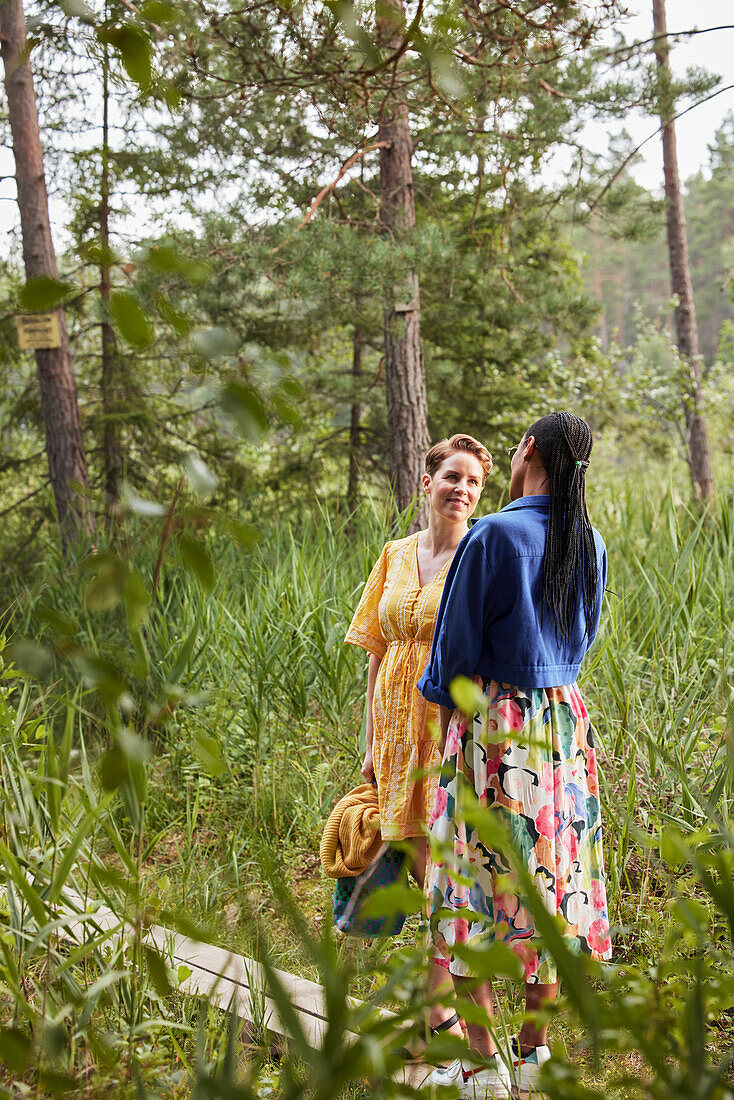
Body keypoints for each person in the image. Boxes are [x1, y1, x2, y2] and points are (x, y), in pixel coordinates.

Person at [417, 411, 612, 1099]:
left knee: (470, 886)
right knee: (550, 886)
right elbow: (581, 643)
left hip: (492, 723)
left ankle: (477, 1065)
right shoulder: (587, 540)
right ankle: (534, 1054)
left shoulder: (494, 535)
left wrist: (448, 750)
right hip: (561, 726)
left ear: (528, 450)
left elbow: (453, 659)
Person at [345, 433, 492, 1036]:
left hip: (446, 730)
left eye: (474, 483)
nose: (462, 490)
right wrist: (371, 740)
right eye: (452, 477)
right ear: (426, 483)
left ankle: (457, 1023)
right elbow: (376, 651)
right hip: (395, 732)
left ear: (480, 498)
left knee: (441, 871)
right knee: (413, 860)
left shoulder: (479, 557)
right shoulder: (396, 555)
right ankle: (439, 1011)